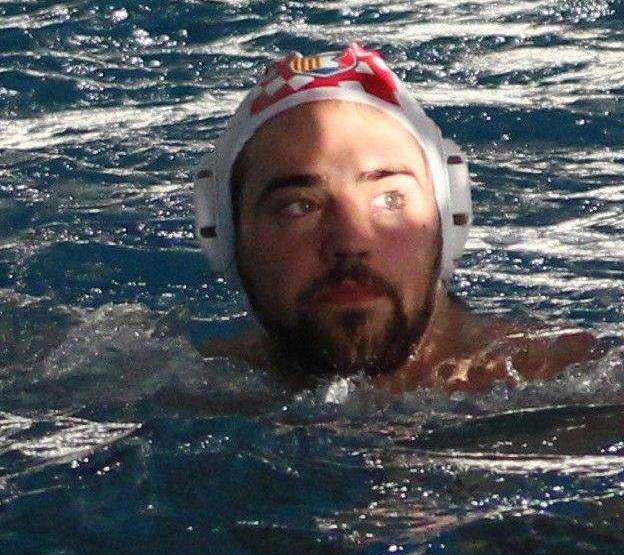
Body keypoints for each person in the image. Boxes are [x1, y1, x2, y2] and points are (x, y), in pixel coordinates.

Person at [199, 47, 596, 391]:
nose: (349, 242)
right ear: (226, 237)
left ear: (449, 220)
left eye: (390, 199)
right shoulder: (197, 392)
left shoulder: (572, 383)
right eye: (299, 207)